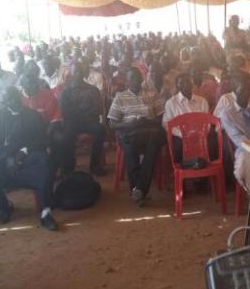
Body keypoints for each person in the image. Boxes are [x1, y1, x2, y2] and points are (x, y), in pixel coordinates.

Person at [0, 87, 58, 230]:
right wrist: (7, 157)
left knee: (45, 162)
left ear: (20, 98)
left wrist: (23, 152)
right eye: (8, 99)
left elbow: (41, 140)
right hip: (2, 163)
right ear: (3, 101)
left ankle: (45, 213)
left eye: (15, 98)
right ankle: (4, 207)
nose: (13, 101)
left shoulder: (33, 115)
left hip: (27, 160)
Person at [108, 67, 166, 205]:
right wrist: (129, 124)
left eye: (137, 77)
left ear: (142, 79)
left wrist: (146, 120)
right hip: (130, 132)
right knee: (130, 147)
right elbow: (112, 124)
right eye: (131, 77)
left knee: (153, 146)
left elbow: (161, 119)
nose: (135, 80)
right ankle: (140, 190)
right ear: (127, 80)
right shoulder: (120, 97)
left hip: (150, 131)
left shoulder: (152, 93)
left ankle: (137, 189)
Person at [59, 62, 105, 176]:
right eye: (75, 71)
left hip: (89, 122)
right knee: (65, 136)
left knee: (100, 130)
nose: (78, 73)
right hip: (72, 122)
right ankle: (68, 167)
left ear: (84, 73)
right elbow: (65, 111)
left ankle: (94, 165)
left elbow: (98, 110)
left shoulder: (92, 90)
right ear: (71, 73)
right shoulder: (66, 91)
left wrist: (78, 111)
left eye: (80, 71)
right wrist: (84, 110)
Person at [162, 73, 212, 163]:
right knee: (179, 147)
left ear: (192, 82)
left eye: (188, 81)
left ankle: (204, 170)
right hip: (181, 137)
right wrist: (184, 135)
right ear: (178, 85)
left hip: (201, 135)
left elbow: (207, 122)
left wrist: (202, 133)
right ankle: (187, 171)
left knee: (213, 143)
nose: (186, 84)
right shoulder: (171, 103)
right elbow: (168, 124)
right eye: (182, 82)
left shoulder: (202, 101)